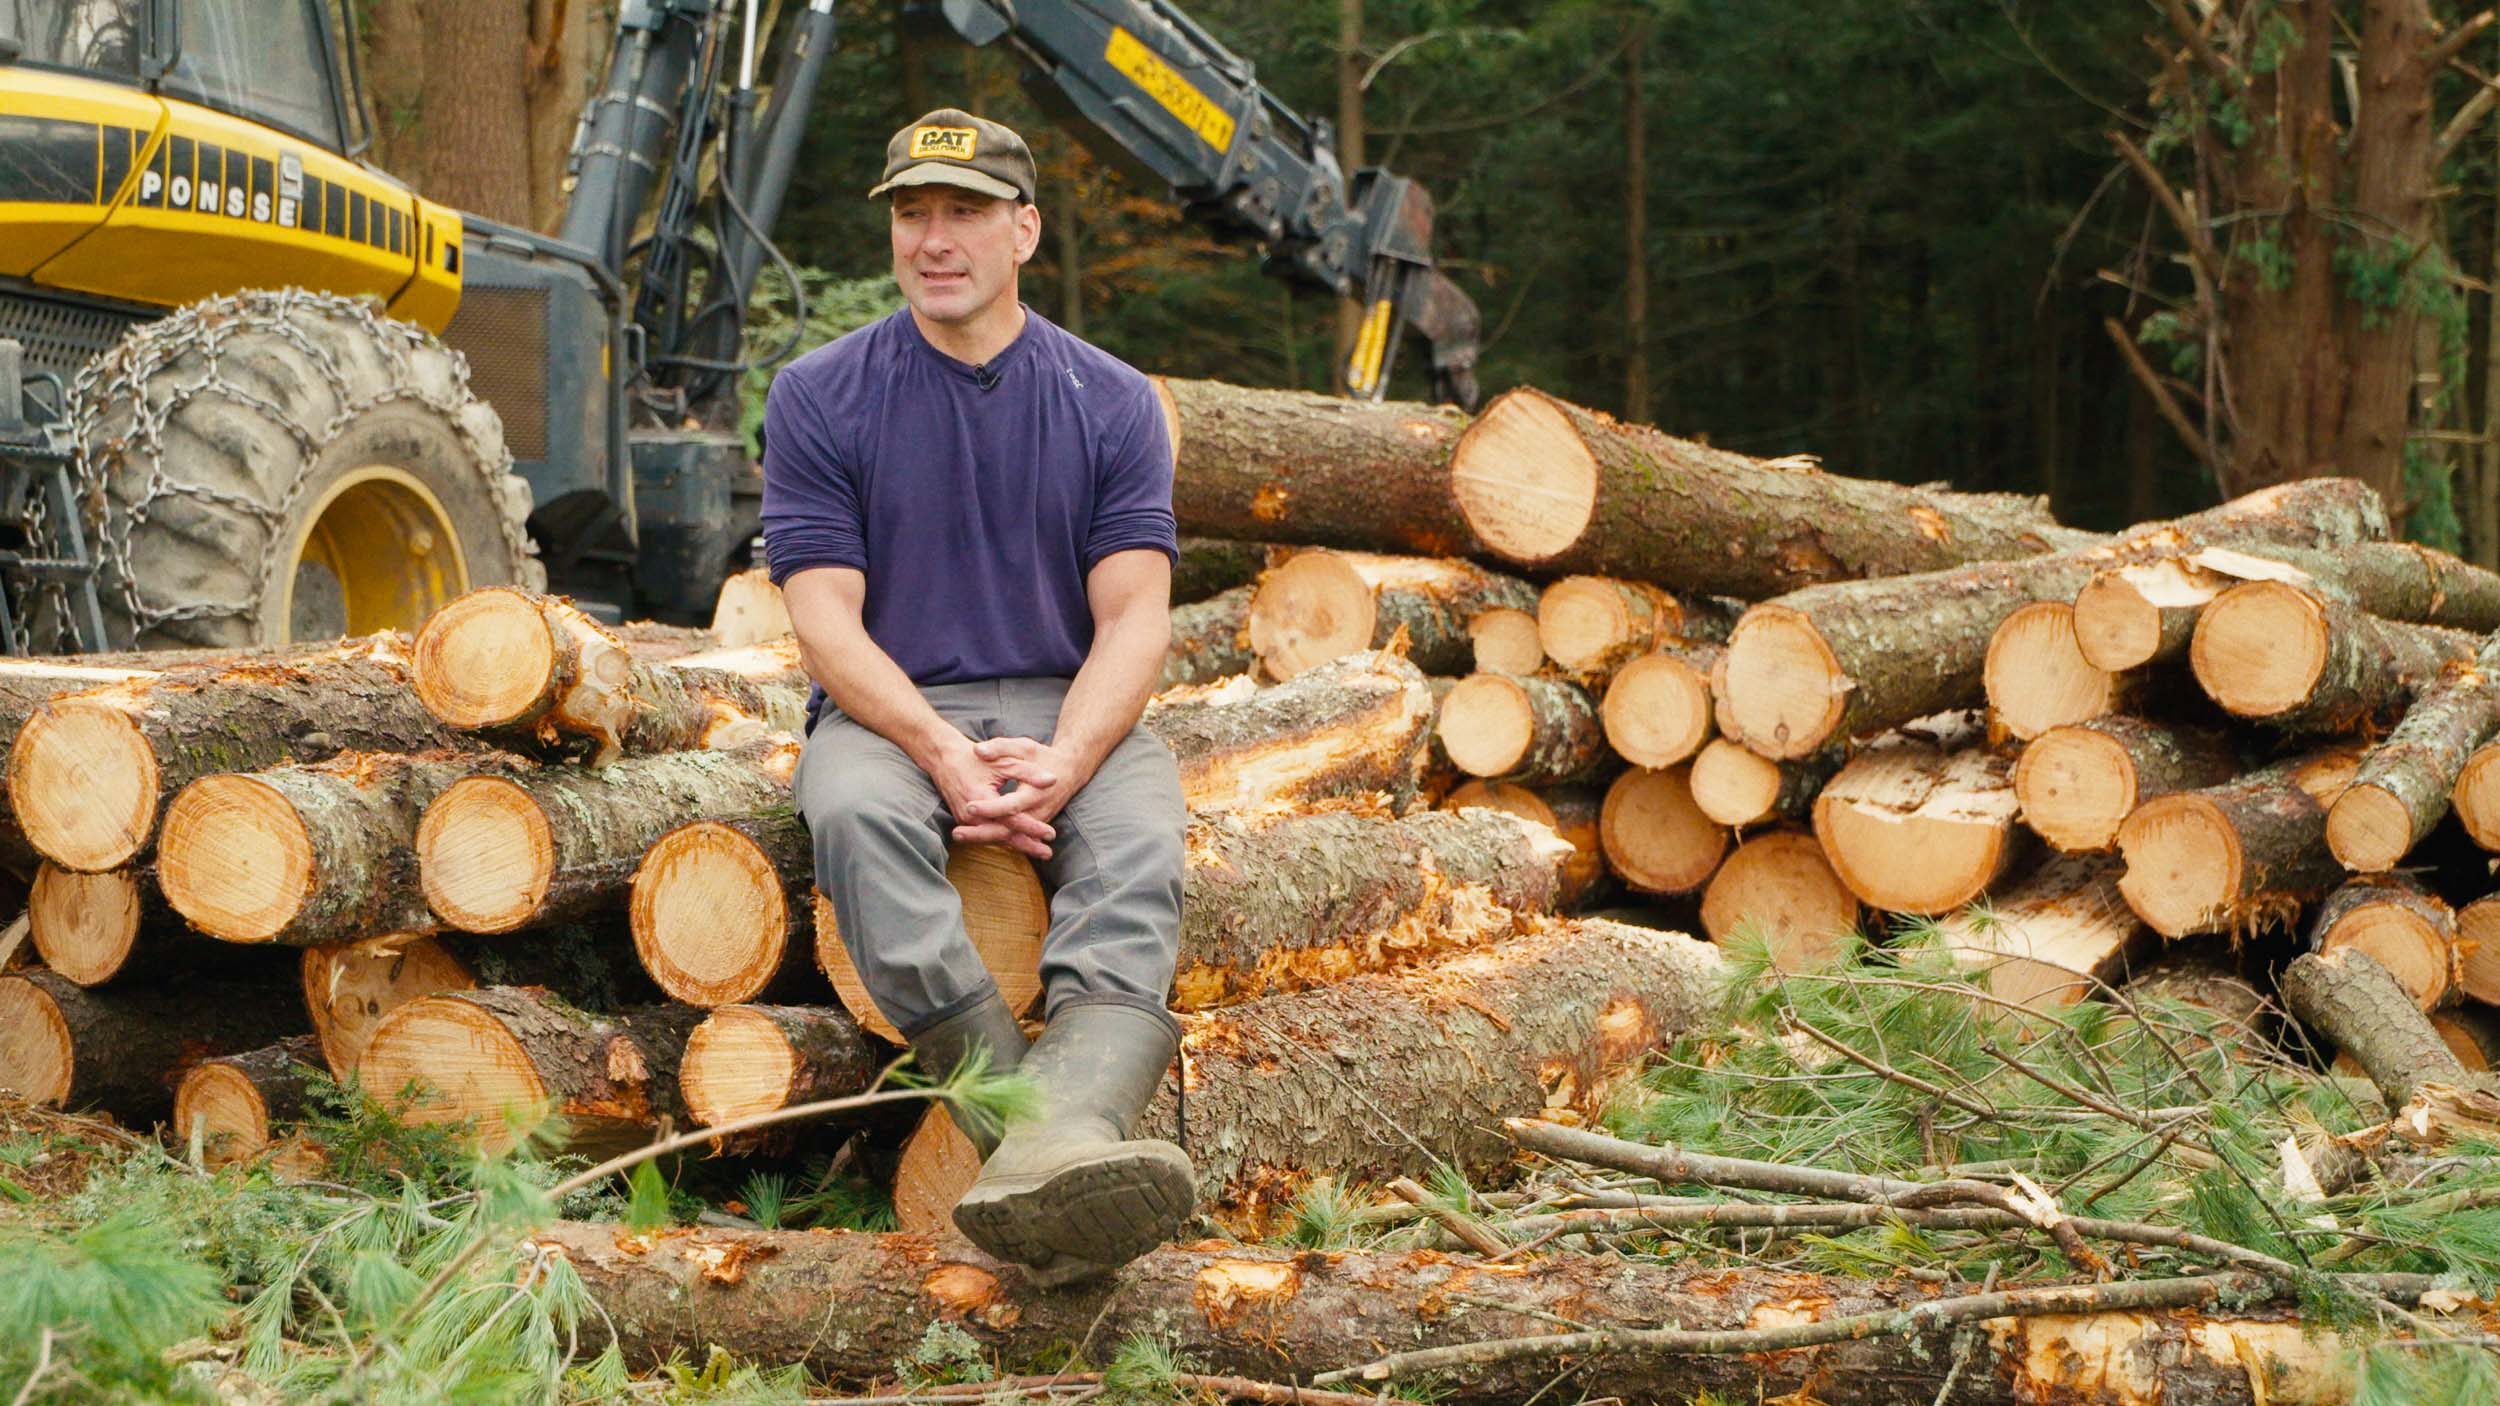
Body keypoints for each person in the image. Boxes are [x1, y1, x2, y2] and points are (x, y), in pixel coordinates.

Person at [760, 108, 1192, 1284]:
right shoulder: (819, 394)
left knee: (1142, 847)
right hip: (891, 710)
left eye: (963, 212)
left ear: (1024, 231)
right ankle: (1046, 1138)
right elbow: (823, 622)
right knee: (853, 816)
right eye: (912, 214)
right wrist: (941, 749)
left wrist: (1070, 753)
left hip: (1072, 698)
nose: (933, 239)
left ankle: (1039, 1148)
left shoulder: (1109, 398)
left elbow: (1133, 617)